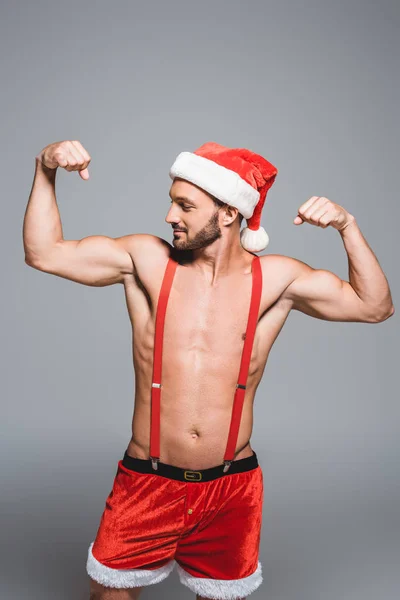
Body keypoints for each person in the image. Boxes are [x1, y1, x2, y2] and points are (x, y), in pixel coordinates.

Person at [23, 140, 395, 600]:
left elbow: (375, 306)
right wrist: (45, 167)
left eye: (184, 205)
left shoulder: (277, 279)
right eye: (172, 202)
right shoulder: (146, 260)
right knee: (110, 594)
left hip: (231, 489)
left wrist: (347, 226)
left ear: (227, 213)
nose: (169, 216)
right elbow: (44, 253)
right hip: (147, 480)